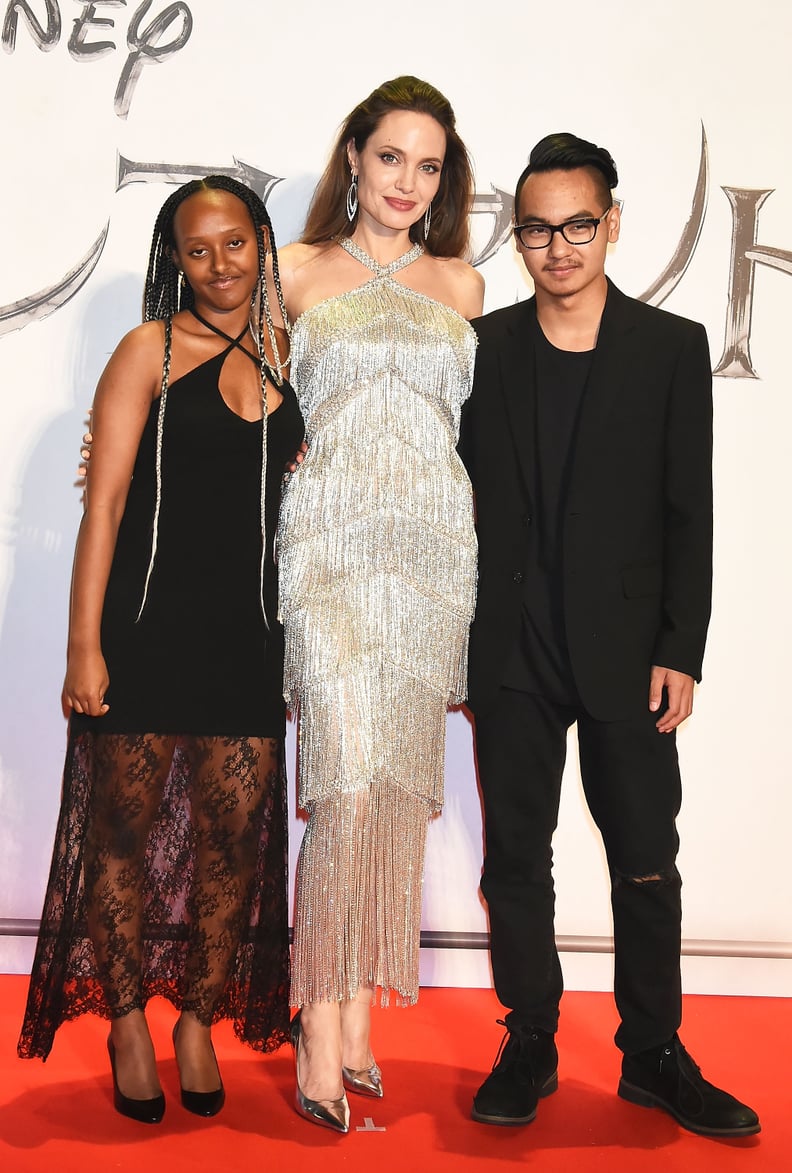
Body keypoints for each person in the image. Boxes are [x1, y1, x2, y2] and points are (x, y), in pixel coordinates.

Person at [459, 133, 760, 1137]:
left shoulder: (668, 348)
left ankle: (654, 1055)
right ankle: (531, 1039)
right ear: (520, 236)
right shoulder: (485, 348)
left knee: (645, 860)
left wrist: (684, 644)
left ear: (612, 224)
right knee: (515, 862)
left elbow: (690, 509)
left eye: (577, 225)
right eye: (537, 229)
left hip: (632, 654)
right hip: (510, 651)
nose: (557, 247)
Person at [17, 176, 303, 1124]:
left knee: (236, 842)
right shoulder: (149, 348)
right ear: (172, 259)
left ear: (262, 241)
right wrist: (81, 646)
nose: (219, 263)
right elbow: (102, 503)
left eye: (235, 242)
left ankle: (198, 1019)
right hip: (144, 632)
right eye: (197, 248)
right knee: (121, 836)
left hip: (250, 640)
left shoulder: (296, 348)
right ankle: (129, 1018)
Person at [275, 76, 483, 1133]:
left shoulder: (466, 286)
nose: (407, 181)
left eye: (429, 164)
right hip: (327, 558)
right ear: (354, 156)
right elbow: (241, 410)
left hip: (434, 561)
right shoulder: (296, 273)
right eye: (390, 156)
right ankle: (317, 1019)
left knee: (396, 790)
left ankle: (360, 1015)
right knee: (343, 787)